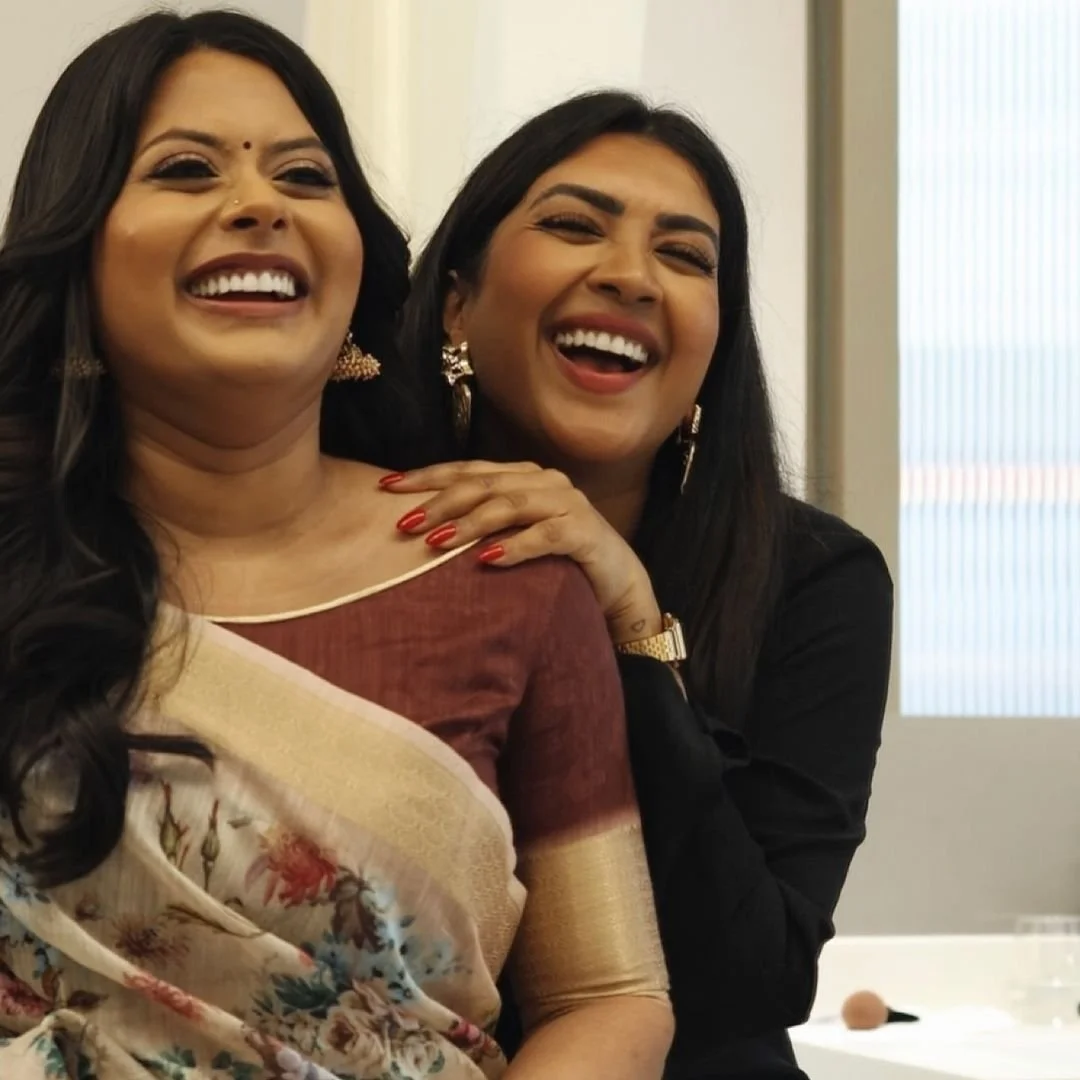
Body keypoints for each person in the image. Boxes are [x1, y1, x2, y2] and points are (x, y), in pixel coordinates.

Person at [0, 20, 673, 1080]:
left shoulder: (502, 580)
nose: (260, 204)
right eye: (186, 169)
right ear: (78, 249)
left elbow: (610, 996)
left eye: (306, 177)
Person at [394, 91, 894, 1079]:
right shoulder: (350, 529)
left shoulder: (815, 579)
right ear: (456, 300)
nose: (630, 275)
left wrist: (632, 629)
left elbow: (752, 980)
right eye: (574, 226)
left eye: (685, 255)